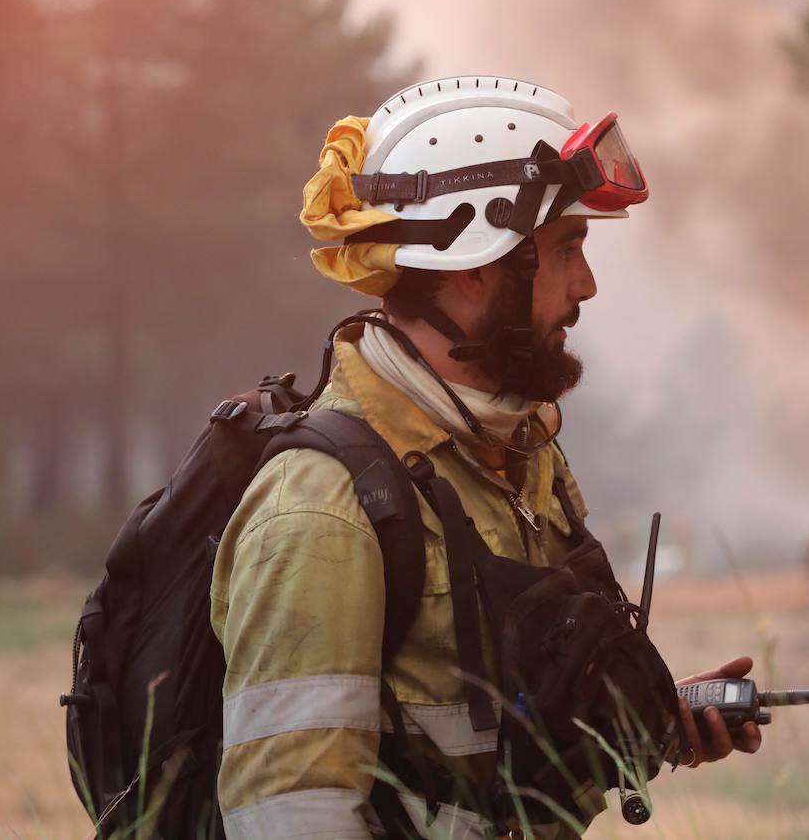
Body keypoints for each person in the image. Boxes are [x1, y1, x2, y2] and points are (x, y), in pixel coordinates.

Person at [210, 76, 761, 839]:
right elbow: (289, 816)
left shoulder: (512, 453)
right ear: (477, 267)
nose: (587, 285)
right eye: (568, 249)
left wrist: (634, 717)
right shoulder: (322, 508)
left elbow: (485, 722)